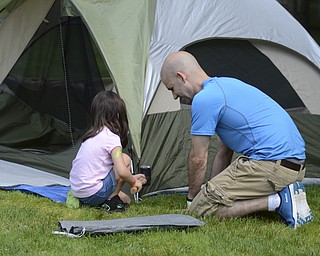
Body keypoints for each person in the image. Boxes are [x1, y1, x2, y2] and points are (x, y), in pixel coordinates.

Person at [160, 51, 313, 228]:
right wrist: (212, 187)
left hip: (271, 166)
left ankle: (278, 200)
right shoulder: (227, 85)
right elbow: (223, 153)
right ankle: (285, 193)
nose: (174, 96)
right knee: (210, 198)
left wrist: (193, 200)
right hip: (294, 168)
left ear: (181, 77)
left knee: (200, 209)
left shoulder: (204, 99)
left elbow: (198, 158)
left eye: (172, 88)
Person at [69, 91, 146, 212]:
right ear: (118, 115)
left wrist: (131, 176)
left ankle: (105, 199)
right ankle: (111, 200)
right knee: (125, 159)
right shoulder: (111, 138)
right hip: (93, 193)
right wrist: (135, 181)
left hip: (79, 191)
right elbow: (121, 171)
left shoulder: (92, 135)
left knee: (126, 199)